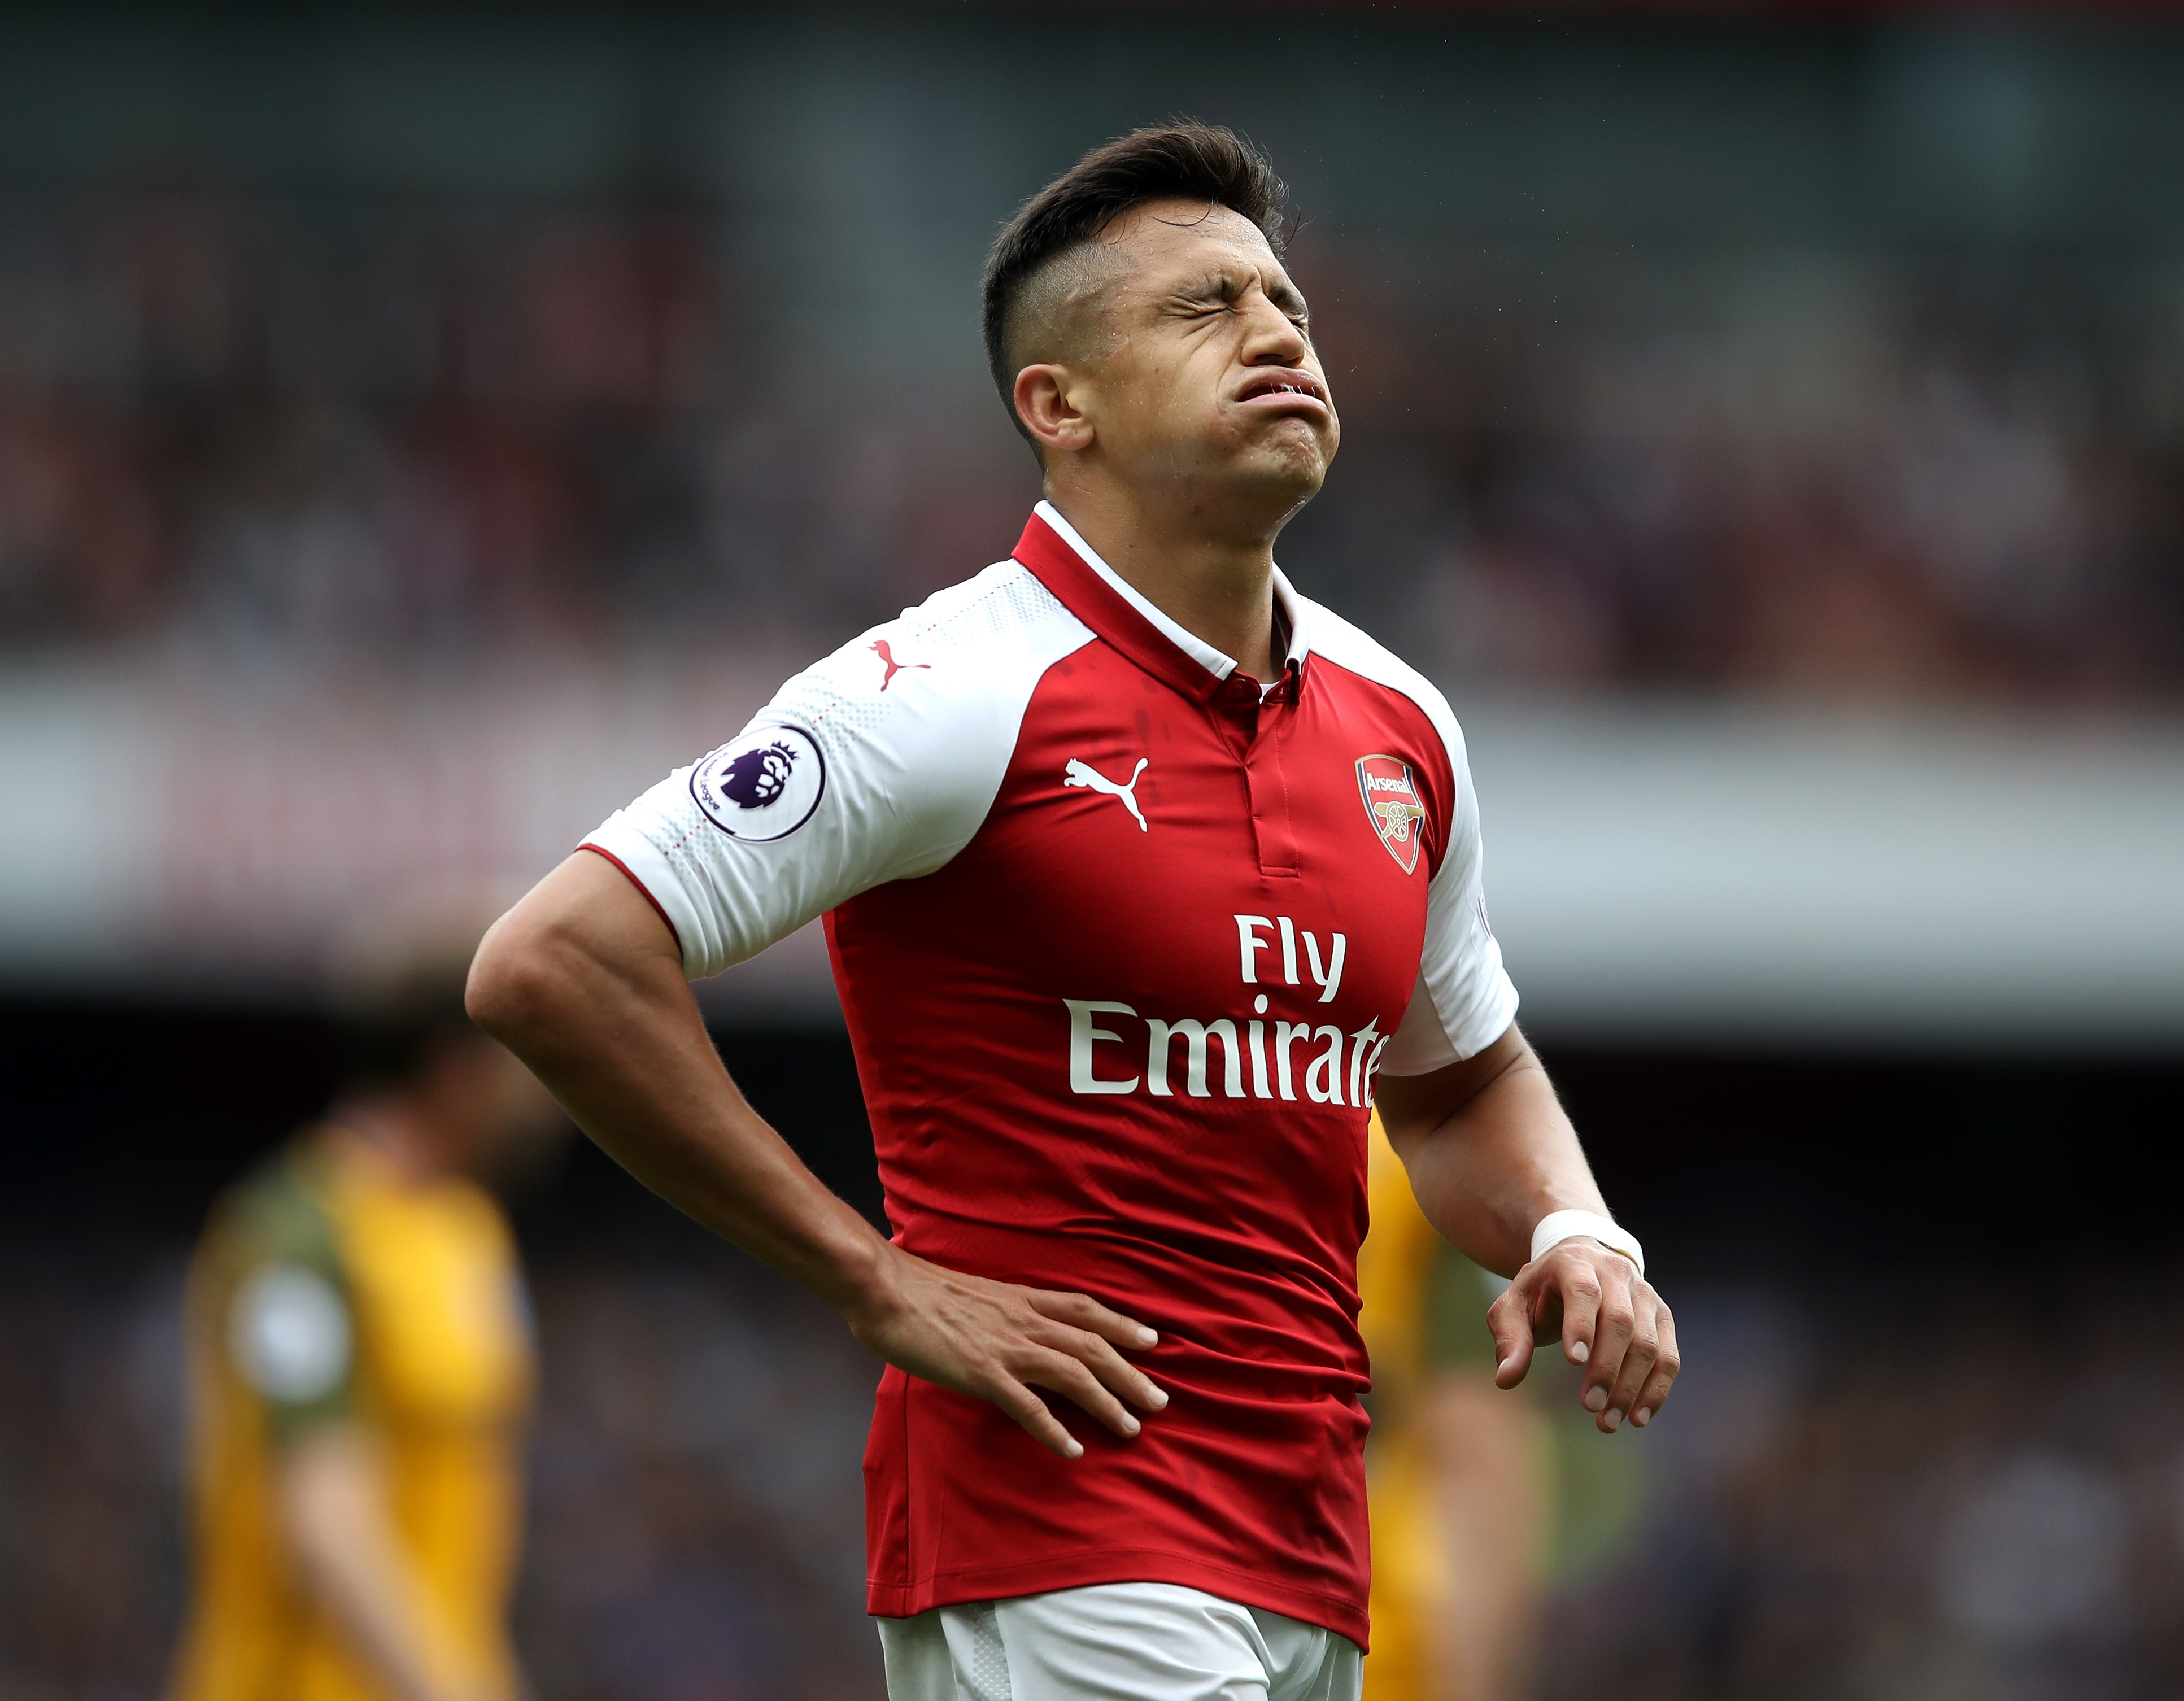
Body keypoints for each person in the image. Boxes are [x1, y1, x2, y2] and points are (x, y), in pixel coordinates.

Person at [469, 122, 1678, 1700]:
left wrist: (1576, 1226)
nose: (1275, 333)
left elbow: (1458, 1080)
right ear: (1061, 405)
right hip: (1057, 1528)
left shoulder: (1402, 725)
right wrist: (872, 1274)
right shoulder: (946, 689)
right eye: (1203, 307)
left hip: (1311, 1537)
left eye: (1285, 304)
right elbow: (553, 959)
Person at [167, 924, 559, 1701]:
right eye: (532, 1050)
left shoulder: (467, 1232)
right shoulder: (298, 1237)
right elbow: (323, 1516)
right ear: (459, 1067)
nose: (551, 1087)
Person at [1360, 1119, 1546, 1701]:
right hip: (1369, 1642)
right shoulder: (1413, 1147)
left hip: (1137, 1610)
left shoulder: (1097, 1120)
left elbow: (1476, 1451)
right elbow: (1478, 1459)